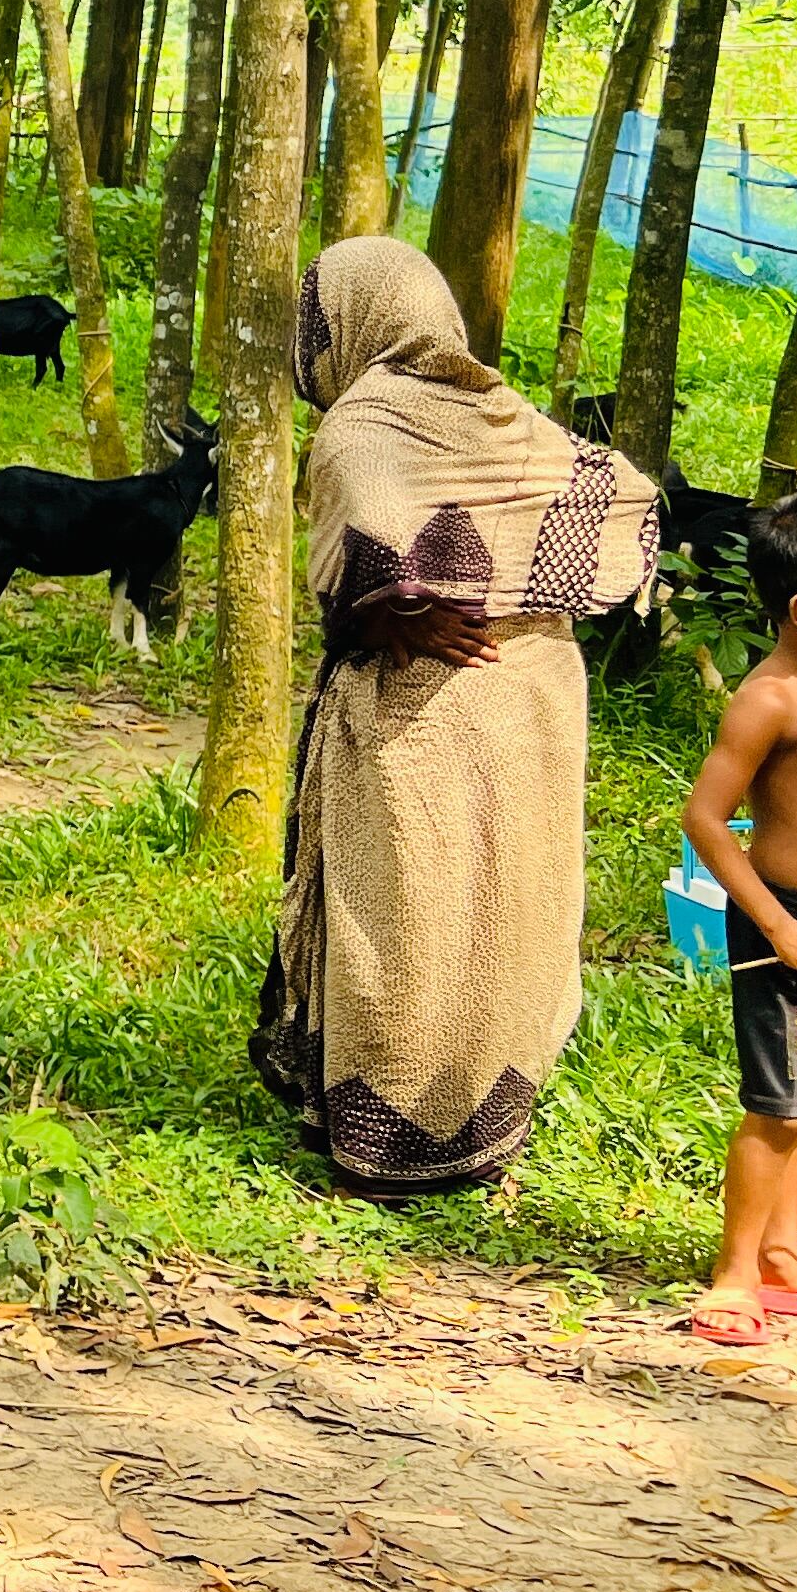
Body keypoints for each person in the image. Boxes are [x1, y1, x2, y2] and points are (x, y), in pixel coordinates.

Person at [251, 236, 660, 1201]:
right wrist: (516, 592)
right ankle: (479, 1117)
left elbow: (366, 558)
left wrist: (401, 606)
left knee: (402, 916)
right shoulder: (504, 412)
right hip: (534, 694)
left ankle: (390, 1136)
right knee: (503, 903)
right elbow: (625, 498)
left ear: (345, 322)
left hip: (422, 704)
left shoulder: (359, 425)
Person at [685, 491, 797, 1341]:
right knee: (780, 1106)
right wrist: (779, 926)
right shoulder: (772, 700)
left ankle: (783, 1260)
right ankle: (735, 1275)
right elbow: (705, 820)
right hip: (786, 926)